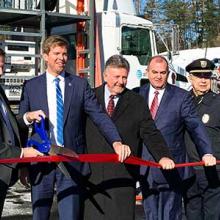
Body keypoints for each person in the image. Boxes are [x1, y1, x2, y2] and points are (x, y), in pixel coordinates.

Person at [18, 35, 131, 220]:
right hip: (40, 161)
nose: (61, 58)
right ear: (45, 56)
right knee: (40, 214)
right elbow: (21, 124)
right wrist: (27, 117)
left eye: (64, 54)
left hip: (70, 160)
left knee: (70, 215)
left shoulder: (79, 85)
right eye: (56, 53)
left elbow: (99, 115)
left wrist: (116, 141)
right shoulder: (31, 86)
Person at [83, 55, 175, 220]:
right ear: (105, 76)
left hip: (123, 175)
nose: (121, 81)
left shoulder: (136, 102)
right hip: (93, 176)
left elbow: (150, 132)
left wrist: (163, 156)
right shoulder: (90, 97)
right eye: (116, 77)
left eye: (124, 77)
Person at [138, 55, 216, 220]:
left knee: (170, 214)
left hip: (172, 165)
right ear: (147, 72)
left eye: (163, 72)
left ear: (168, 74)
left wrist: (207, 152)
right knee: (150, 214)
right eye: (155, 72)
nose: (159, 76)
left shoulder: (181, 97)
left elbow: (196, 127)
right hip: (145, 166)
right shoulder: (137, 94)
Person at [0, 48, 43, 217]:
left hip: (4, 173)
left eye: (2, 66)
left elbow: (7, 126)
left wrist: (27, 117)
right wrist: (23, 153)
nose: (1, 71)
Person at [184, 58, 220, 220]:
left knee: (213, 214)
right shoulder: (183, 101)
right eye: (199, 76)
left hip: (213, 171)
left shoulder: (218, 102)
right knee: (192, 212)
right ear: (190, 77)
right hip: (189, 169)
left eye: (207, 75)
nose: (203, 80)